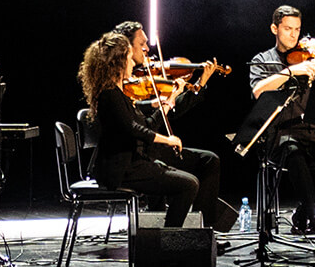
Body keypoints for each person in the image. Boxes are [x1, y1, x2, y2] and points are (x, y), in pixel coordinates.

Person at [80, 30, 233, 230]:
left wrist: (169, 102)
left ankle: (176, 236)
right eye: (129, 58)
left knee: (187, 180)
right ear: (117, 63)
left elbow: (147, 125)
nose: (134, 63)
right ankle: (169, 241)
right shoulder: (110, 95)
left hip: (131, 163)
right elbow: (132, 129)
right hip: (122, 169)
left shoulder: (118, 95)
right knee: (189, 184)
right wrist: (167, 140)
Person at [246, 6, 315, 234]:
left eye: (297, 29)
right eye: (287, 29)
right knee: (293, 153)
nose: (294, 35)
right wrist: (292, 71)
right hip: (281, 131)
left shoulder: (311, 55)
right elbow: (258, 91)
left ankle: (306, 211)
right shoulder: (263, 59)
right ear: (274, 28)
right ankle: (311, 214)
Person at [114, 20, 222, 121]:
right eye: (142, 44)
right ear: (126, 47)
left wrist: (201, 82)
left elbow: (172, 111)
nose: (147, 49)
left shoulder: (146, 78)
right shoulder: (110, 79)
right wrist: (152, 104)